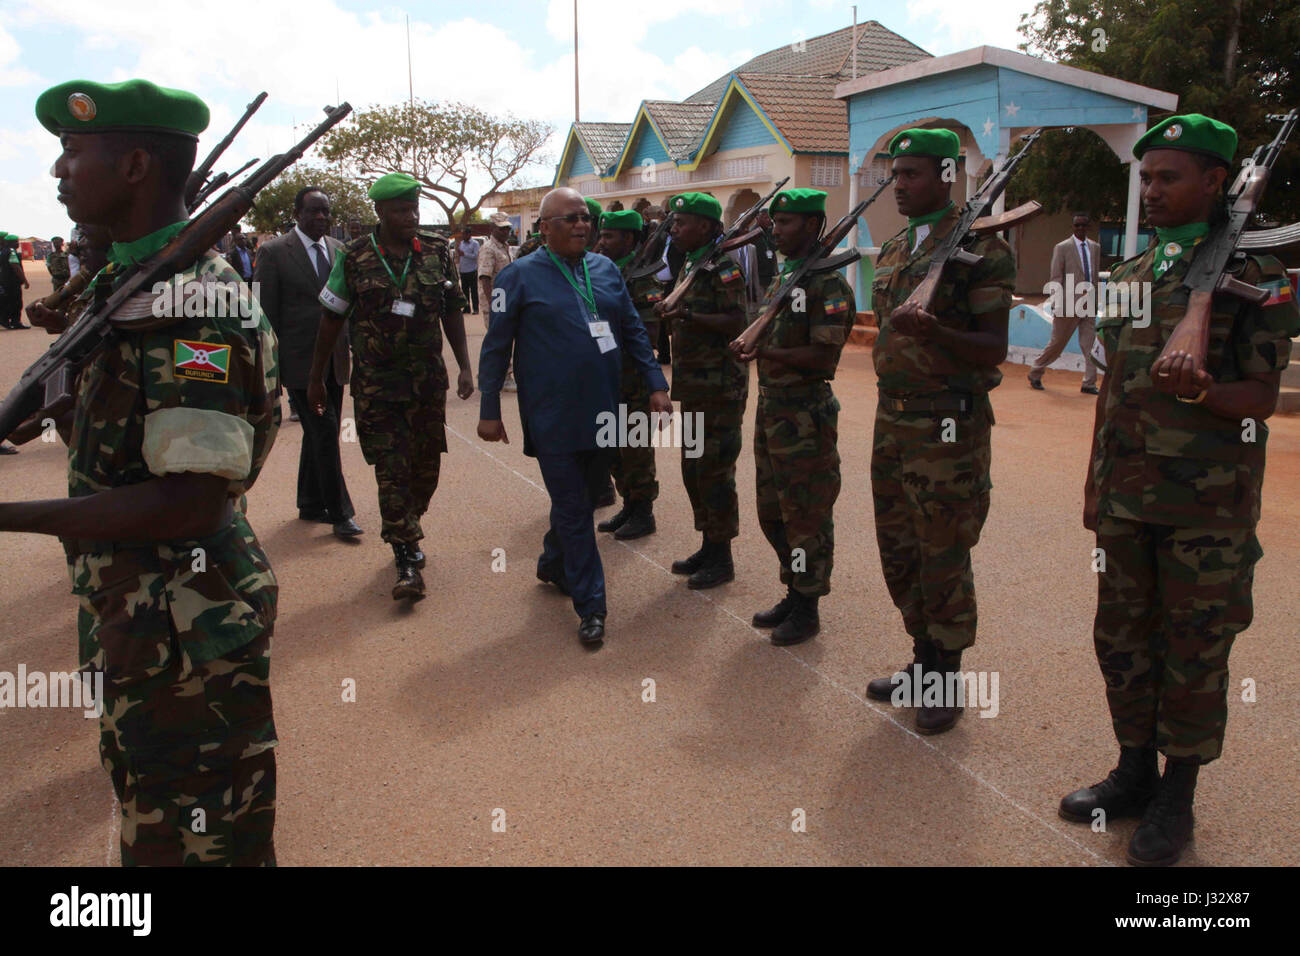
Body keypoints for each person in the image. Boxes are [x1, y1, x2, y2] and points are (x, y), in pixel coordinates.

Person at [2, 78, 282, 865]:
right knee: (149, 808)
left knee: (198, 836)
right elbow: (98, 412)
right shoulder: (123, 282)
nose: (58, 170)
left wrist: (8, 517)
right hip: (136, 615)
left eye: (72, 152)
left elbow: (189, 504)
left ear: (133, 166)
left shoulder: (197, 303)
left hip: (188, 627)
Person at [1061, 114, 1300, 867]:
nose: (1154, 190)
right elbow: (1115, 387)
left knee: (1194, 650)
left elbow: (1263, 396)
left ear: (1214, 182)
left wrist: (1204, 393)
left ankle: (1178, 795)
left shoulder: (1256, 279)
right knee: (1122, 640)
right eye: (1147, 177)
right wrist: (1096, 486)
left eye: (1170, 178)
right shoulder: (1130, 275)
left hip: (1207, 509)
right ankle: (1132, 771)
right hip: (1127, 501)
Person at [864, 128, 1014, 734]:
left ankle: (946, 677)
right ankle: (923, 661)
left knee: (942, 549)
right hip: (892, 418)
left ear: (947, 176)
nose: (900, 185)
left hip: (947, 424)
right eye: (896, 174)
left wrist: (937, 334)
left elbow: (993, 348)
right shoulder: (897, 247)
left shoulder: (983, 249)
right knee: (899, 548)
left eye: (913, 174)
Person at [477, 187, 670, 645]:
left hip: (605, 408)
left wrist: (657, 384)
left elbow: (632, 330)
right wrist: (489, 409)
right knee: (573, 507)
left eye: (585, 217)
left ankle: (550, 562)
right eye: (569, 218)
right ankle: (592, 606)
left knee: (582, 500)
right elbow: (496, 346)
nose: (582, 225)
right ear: (545, 228)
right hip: (552, 415)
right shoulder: (517, 277)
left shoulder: (605, 270)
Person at [311, 172, 474, 601]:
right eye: (401, 210)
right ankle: (405, 554)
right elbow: (331, 321)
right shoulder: (354, 256)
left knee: (424, 469)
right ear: (380, 212)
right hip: (377, 388)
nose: (410, 216)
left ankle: (410, 524)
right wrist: (316, 380)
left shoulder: (437, 252)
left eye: (414, 209)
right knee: (391, 470)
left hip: (426, 384)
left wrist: (464, 367)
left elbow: (453, 311)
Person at [736, 189, 855, 646]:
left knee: (805, 515)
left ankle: (808, 605)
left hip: (806, 414)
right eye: (774, 222)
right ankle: (793, 585)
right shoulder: (786, 274)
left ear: (810, 225)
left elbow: (824, 359)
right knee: (773, 512)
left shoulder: (828, 285)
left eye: (784, 223)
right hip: (772, 409)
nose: (775, 230)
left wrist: (765, 349)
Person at [653, 192, 749, 589]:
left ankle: (722, 555)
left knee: (715, 470)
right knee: (693, 467)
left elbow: (736, 320)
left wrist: (687, 313)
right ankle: (708, 544)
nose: (674, 227)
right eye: (674, 221)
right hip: (693, 382)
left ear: (708, 227)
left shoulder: (724, 267)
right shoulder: (693, 262)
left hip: (720, 385)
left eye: (684, 221)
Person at [253, 186, 360, 540]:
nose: (321, 218)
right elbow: (263, 316)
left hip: (334, 361)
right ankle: (340, 512)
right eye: (313, 211)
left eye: (326, 212)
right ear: (296, 213)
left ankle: (310, 502)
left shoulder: (339, 251)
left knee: (318, 434)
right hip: (298, 363)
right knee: (326, 431)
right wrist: (269, 373)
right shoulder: (272, 252)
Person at [594, 208, 664, 541]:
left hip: (634, 378)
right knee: (612, 446)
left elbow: (649, 333)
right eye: (602, 235)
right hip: (606, 377)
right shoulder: (603, 272)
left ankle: (644, 511)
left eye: (610, 236)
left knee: (635, 446)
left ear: (630, 239)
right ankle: (628, 504)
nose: (602, 242)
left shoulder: (644, 279)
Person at [1029, 213, 1102, 394]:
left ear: (1088, 227)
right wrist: (1056, 301)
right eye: (1077, 226)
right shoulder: (1062, 247)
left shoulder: (1095, 247)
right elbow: (1056, 276)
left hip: (1089, 302)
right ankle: (1036, 371)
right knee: (1058, 343)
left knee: (1089, 344)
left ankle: (1089, 383)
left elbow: (1094, 274)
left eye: (1083, 225)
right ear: (1073, 227)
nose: (1080, 229)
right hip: (1068, 303)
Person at [477, 213, 517, 391]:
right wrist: (494, 305)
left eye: (507, 228)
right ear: (492, 229)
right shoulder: (489, 248)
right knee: (499, 339)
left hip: (505, 299)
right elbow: (485, 279)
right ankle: (504, 377)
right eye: (502, 228)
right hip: (494, 302)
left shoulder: (505, 247)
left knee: (500, 338)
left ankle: (487, 374)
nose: (506, 231)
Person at [0, 233, 31, 329]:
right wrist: (25, 280)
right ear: (10, 243)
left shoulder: (2, 252)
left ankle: (5, 321)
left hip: (4, 281)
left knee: (6, 302)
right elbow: (15, 266)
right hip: (12, 282)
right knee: (16, 303)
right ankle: (15, 322)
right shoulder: (11, 251)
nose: (18, 244)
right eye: (16, 242)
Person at [455, 227, 480, 315]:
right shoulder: (461, 243)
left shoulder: (475, 244)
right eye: (462, 234)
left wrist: (464, 254)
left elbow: (476, 255)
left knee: (473, 290)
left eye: (464, 234)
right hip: (463, 270)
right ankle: (466, 308)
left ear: (469, 234)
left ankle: (476, 309)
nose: (463, 236)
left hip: (472, 270)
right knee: (464, 291)